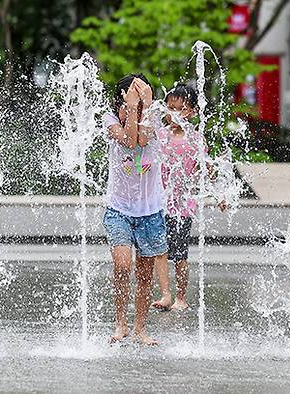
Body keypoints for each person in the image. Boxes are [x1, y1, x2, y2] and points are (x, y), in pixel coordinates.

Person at [102, 73, 165, 346]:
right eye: (132, 95)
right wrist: (130, 108)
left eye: (140, 94)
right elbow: (129, 141)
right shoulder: (111, 120)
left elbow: (143, 138)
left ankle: (140, 328)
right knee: (122, 265)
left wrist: (147, 106)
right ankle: (120, 323)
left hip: (150, 211)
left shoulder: (155, 118)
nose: (137, 100)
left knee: (144, 273)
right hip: (119, 209)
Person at [151, 84, 226, 312]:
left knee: (180, 255)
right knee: (160, 250)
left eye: (180, 109)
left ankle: (181, 296)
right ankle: (165, 294)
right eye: (170, 109)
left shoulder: (195, 139)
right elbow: (147, 163)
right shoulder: (159, 136)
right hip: (158, 204)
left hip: (183, 206)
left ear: (192, 111)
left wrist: (219, 194)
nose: (173, 114)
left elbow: (207, 169)